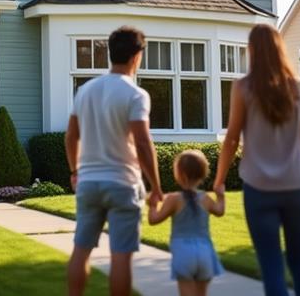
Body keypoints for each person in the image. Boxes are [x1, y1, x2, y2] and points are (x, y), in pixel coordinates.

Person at [213, 24, 300, 296]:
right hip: (298, 187)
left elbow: (232, 139)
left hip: (259, 189)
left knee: (271, 266)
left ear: (252, 51)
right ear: (279, 48)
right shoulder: (299, 88)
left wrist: (219, 180)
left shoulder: (243, 87)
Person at [65, 25, 163, 296]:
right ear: (137, 56)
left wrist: (75, 170)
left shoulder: (85, 90)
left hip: (89, 182)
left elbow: (71, 136)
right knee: (120, 256)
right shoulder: (135, 95)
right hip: (122, 182)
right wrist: (156, 186)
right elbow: (143, 142)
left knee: (81, 250)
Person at [148, 150, 225, 296]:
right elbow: (220, 211)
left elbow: (154, 220)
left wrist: (152, 205)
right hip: (205, 252)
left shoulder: (174, 199)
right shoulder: (206, 198)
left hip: (183, 253)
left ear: (180, 174)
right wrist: (221, 196)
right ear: (203, 173)